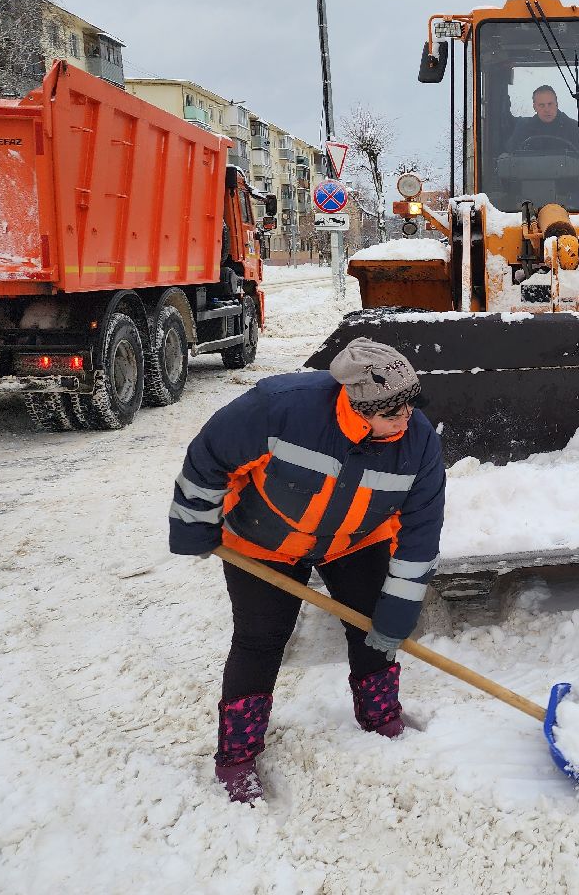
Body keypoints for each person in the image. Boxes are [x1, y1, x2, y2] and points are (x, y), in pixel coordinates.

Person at [169, 337, 445, 805]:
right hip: (265, 539)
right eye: (391, 410)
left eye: (410, 405)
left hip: (355, 540)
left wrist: (398, 609)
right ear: (359, 406)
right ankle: (237, 753)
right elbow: (211, 455)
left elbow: (421, 530)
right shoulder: (282, 408)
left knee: (373, 625)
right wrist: (194, 522)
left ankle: (379, 714)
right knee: (259, 640)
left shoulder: (417, 443)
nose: (406, 417)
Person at [507, 84, 579, 152]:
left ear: (556, 104)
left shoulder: (575, 128)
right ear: (534, 107)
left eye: (550, 104)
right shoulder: (523, 128)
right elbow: (510, 158)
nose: (547, 109)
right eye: (541, 105)